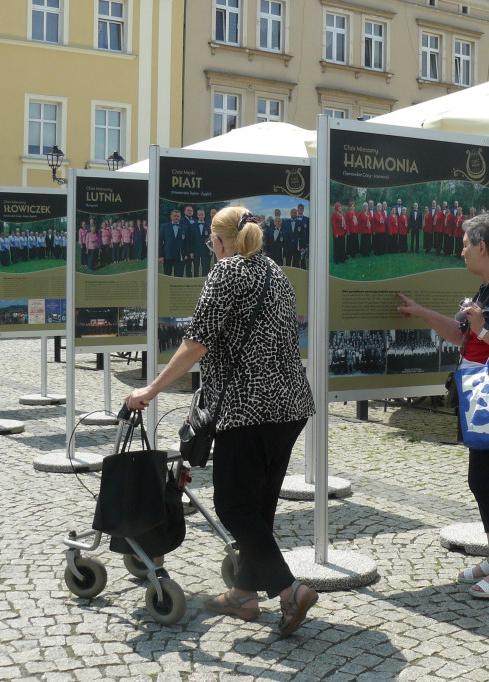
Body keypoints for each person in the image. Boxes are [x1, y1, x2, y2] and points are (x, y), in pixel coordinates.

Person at [125, 206, 318, 637]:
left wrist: (150, 390)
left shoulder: (227, 271)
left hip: (248, 409)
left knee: (233, 506)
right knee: (258, 506)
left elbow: (196, 343)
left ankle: (290, 591)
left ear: (218, 241)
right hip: (290, 405)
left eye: (211, 242)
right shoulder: (274, 271)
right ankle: (244, 595)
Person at [396, 213, 489, 599]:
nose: (462, 251)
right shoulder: (488, 286)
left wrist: (484, 329)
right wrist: (422, 312)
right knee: (482, 478)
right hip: (480, 394)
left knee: (487, 480)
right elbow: (461, 335)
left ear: (482, 247)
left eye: (465, 244)